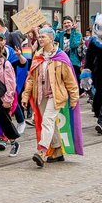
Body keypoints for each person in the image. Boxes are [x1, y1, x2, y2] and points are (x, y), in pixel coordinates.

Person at [22, 27, 80, 167]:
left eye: (43, 37)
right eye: (40, 37)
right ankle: (58, 150)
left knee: (47, 121)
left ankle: (42, 151)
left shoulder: (61, 57)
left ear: (51, 39)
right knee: (51, 124)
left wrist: (74, 98)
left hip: (56, 95)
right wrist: (25, 96)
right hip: (40, 95)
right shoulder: (37, 55)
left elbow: (70, 80)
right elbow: (30, 78)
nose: (40, 39)